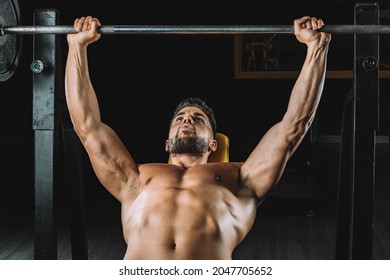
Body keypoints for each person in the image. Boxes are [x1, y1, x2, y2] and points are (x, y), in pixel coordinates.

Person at [65, 15, 331, 260]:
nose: (187, 120)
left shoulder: (240, 181)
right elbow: (87, 126)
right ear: (167, 143)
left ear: (213, 144)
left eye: (197, 119)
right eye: (180, 118)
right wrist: (77, 47)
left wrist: (315, 49)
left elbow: (293, 127)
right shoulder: (135, 178)